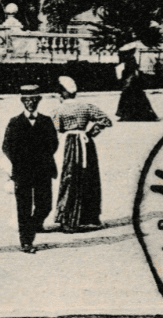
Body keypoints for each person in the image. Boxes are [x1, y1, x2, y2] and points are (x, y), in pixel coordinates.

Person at [50, 76, 113, 232]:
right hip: (86, 144)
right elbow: (106, 120)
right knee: (89, 177)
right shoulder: (86, 106)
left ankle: (67, 219)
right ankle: (90, 217)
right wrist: (92, 132)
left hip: (68, 144)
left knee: (68, 179)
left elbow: (55, 129)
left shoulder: (59, 110)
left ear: (62, 93)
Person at [2, 84, 59, 253]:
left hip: (43, 170)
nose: (31, 103)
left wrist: (42, 157)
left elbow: (54, 143)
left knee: (45, 205)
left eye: (34, 99)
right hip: (23, 172)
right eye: (27, 100)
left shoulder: (46, 121)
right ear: (22, 101)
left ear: (39, 100)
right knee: (24, 208)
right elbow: (6, 146)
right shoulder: (14, 122)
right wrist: (19, 162)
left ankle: (32, 227)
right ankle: (26, 241)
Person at [115, 44, 158, 122]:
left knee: (129, 98)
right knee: (136, 98)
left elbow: (129, 72)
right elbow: (132, 71)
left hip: (131, 81)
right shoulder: (130, 60)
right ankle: (136, 115)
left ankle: (127, 116)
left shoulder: (128, 60)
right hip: (132, 81)